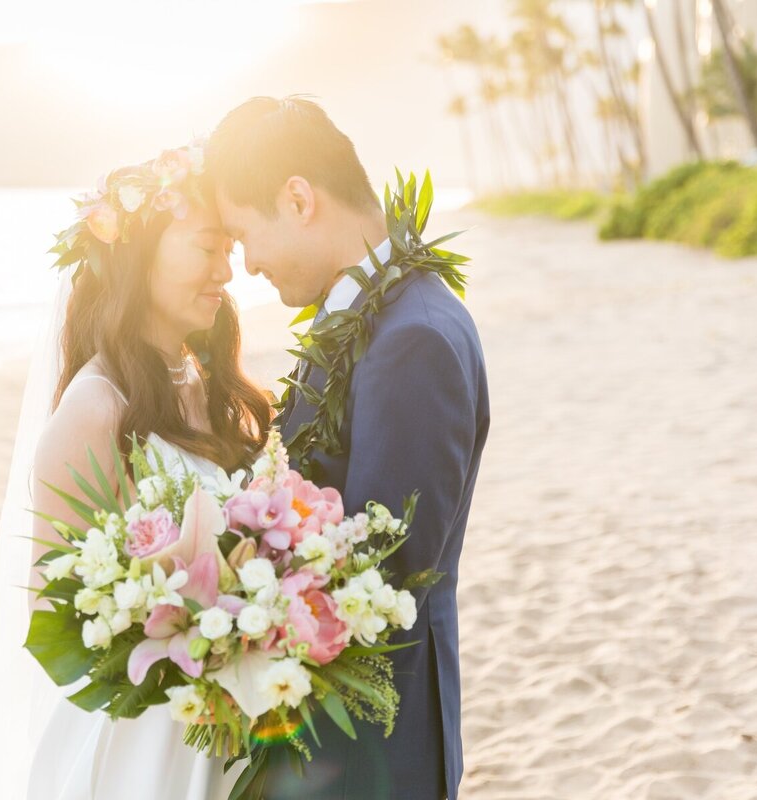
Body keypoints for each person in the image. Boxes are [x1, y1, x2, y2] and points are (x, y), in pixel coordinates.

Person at [206, 95, 491, 800]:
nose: (246, 266)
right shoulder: (374, 315)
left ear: (298, 198)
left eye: (245, 235)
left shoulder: (411, 341)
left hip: (370, 754)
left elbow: (377, 580)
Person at [0, 139, 271, 799]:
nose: (226, 272)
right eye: (206, 248)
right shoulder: (93, 410)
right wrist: (193, 633)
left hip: (223, 722)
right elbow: (55, 620)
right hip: (142, 748)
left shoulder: (199, 378)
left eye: (229, 249)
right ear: (141, 255)